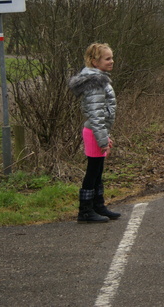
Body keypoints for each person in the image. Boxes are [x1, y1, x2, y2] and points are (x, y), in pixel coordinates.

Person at [69, 43, 120, 223]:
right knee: (92, 172)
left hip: (97, 131)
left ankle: (98, 206)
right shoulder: (95, 83)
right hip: (93, 132)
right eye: (107, 58)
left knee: (98, 172)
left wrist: (105, 135)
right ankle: (85, 211)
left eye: (112, 57)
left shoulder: (100, 79)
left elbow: (101, 114)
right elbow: (96, 114)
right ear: (94, 61)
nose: (111, 61)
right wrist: (102, 139)